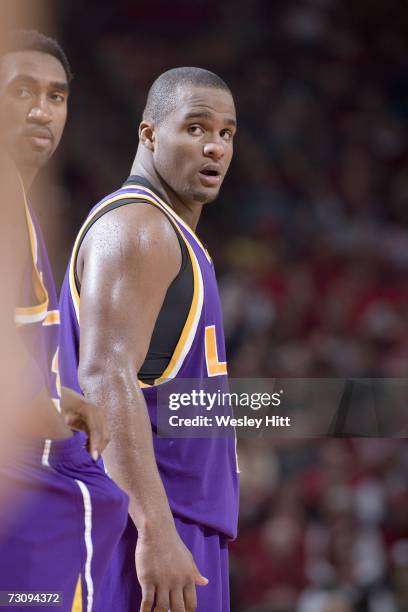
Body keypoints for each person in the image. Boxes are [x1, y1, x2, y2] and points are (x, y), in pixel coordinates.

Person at [59, 67, 239, 611]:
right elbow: (104, 375)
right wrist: (156, 529)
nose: (214, 147)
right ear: (149, 134)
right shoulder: (138, 225)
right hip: (144, 532)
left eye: (227, 134)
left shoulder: (169, 233)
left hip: (182, 523)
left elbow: (171, 395)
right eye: (196, 128)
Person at [0, 29, 128, 611]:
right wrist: (44, 410)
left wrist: (58, 392)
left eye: (56, 96)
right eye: (22, 90)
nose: (41, 109)